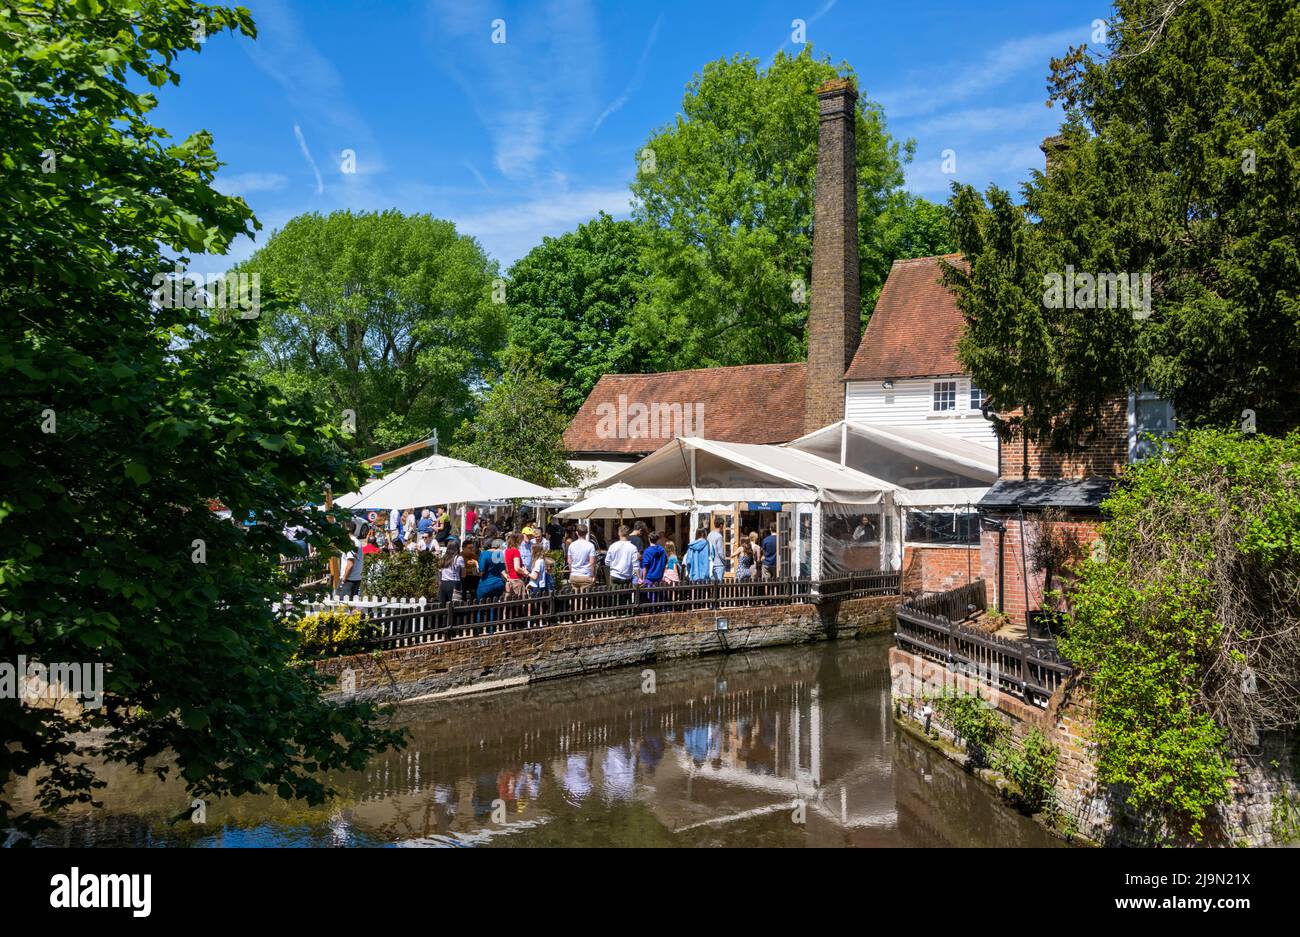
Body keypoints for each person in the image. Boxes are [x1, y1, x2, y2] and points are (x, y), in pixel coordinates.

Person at [338, 518, 368, 598]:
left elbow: (350, 564)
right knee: (350, 607)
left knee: (342, 607)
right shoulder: (356, 541)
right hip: (355, 579)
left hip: (349, 580)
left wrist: (343, 580)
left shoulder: (351, 543)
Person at [567, 524, 597, 591]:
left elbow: (569, 561)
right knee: (585, 597)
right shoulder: (590, 545)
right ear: (586, 533)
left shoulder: (571, 545)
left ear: (577, 533)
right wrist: (593, 575)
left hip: (574, 575)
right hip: (586, 575)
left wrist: (572, 572)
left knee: (575, 597)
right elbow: (592, 562)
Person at [641, 531, 667, 605]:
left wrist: (643, 579)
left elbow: (645, 566)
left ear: (649, 539)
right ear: (657, 539)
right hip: (659, 576)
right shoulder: (662, 550)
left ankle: (653, 609)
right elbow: (665, 562)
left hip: (650, 577)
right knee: (660, 596)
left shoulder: (647, 551)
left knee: (650, 596)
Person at [438, 537, 464, 605]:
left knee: (443, 606)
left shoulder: (444, 558)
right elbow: (464, 574)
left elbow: (440, 571)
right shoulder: (459, 558)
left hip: (443, 584)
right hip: (454, 584)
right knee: (455, 607)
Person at [504, 532, 527, 597]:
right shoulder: (515, 551)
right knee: (520, 604)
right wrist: (525, 572)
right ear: (518, 541)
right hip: (517, 580)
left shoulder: (507, 551)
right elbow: (517, 568)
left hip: (510, 579)